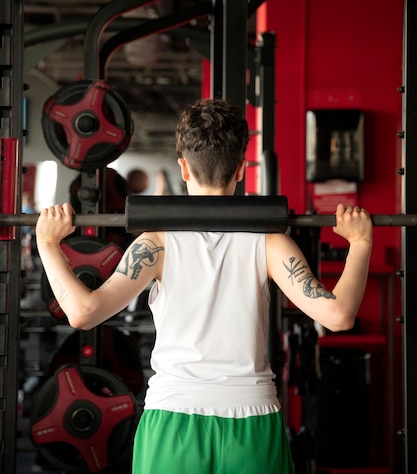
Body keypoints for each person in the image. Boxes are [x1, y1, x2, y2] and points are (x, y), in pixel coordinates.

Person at [35, 98, 373, 474]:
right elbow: (339, 316)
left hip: (173, 419)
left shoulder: (156, 242)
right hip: (252, 419)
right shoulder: (270, 242)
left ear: (183, 168)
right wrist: (360, 243)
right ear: (242, 169)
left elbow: (82, 312)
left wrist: (48, 243)